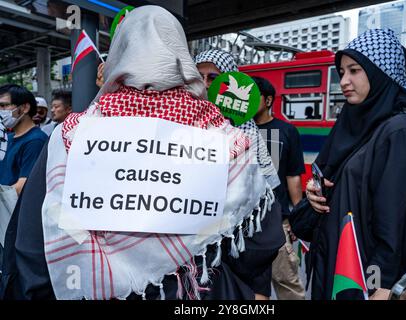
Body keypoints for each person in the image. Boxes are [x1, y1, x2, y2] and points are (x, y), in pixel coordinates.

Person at [0, 6, 278, 300]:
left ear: (119, 55)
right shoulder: (224, 139)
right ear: (180, 58)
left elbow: (33, 240)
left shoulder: (71, 135)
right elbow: (260, 241)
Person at [291, 29, 406, 300]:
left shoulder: (401, 132)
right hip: (333, 261)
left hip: (361, 279)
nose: (344, 81)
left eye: (355, 70)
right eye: (342, 72)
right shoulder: (356, 122)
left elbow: (398, 224)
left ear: (381, 73)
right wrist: (315, 192)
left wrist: (379, 287)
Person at [194, 49, 285, 300]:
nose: (204, 84)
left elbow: (265, 212)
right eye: (198, 76)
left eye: (213, 77)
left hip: (242, 262)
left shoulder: (252, 138)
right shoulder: (182, 130)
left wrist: (259, 288)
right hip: (196, 265)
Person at [252, 76, 306, 300]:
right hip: (242, 225)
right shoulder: (233, 129)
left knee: (287, 283)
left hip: (277, 221)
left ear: (267, 100)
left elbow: (293, 176)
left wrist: (298, 219)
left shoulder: (286, 131)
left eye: (253, 96)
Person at [0, 84, 48, 195]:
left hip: (14, 209)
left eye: (4, 105)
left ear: (25, 108)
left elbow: (24, 185)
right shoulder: (7, 137)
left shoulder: (36, 141)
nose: (1, 110)